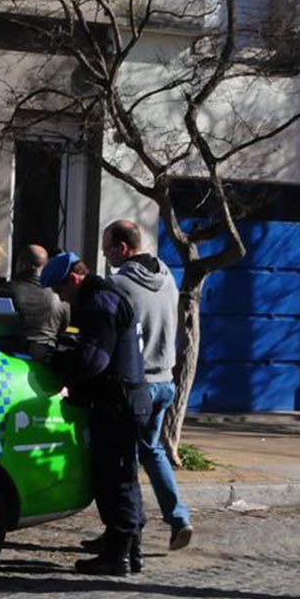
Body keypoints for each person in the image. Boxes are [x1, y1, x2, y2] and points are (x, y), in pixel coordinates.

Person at [95, 219, 194, 552]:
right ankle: (179, 516)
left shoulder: (118, 284)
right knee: (152, 451)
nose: (105, 255)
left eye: (106, 248)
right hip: (166, 380)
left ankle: (127, 533)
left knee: (122, 459)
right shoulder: (167, 275)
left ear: (122, 248)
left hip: (138, 385)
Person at [58, 266, 152, 575]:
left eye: (60, 290)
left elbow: (94, 360)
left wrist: (61, 363)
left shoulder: (101, 302)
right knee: (124, 476)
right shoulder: (109, 297)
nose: (60, 297)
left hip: (117, 402)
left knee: (115, 478)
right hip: (128, 398)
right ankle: (129, 548)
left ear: (73, 279)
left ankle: (118, 556)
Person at [10, 245, 69, 361]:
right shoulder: (61, 294)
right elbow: (63, 327)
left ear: (20, 264)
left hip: (14, 357)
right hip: (48, 357)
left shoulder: (7, 290)